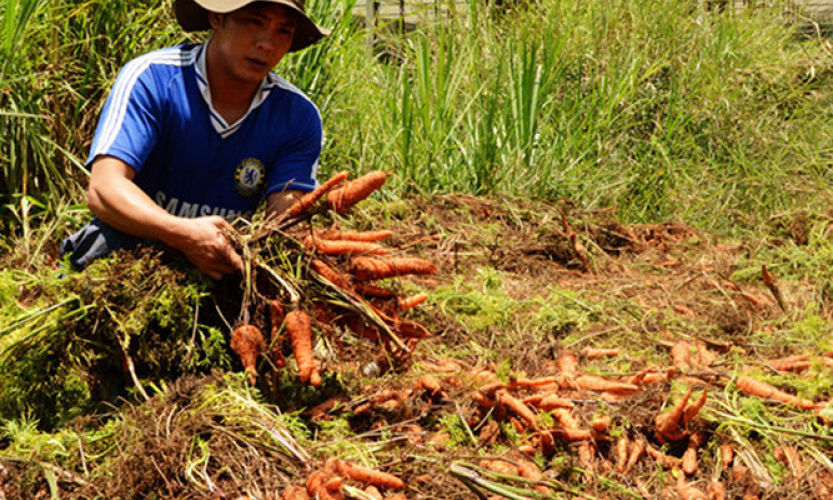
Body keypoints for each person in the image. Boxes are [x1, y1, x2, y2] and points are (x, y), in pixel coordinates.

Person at [60, 0, 329, 280]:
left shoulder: (297, 115)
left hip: (218, 265)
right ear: (216, 17)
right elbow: (104, 189)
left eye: (283, 31)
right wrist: (182, 233)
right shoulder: (152, 79)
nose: (267, 43)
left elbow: (285, 222)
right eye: (255, 22)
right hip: (122, 261)